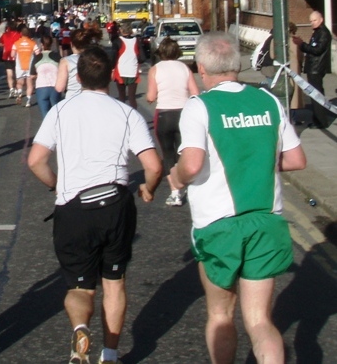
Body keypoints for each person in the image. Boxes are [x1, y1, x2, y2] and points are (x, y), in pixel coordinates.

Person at [170, 32, 306, 364]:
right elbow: (295, 160)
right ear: (237, 63)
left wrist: (176, 177)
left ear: (201, 68)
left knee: (220, 315)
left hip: (219, 226)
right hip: (266, 220)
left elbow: (192, 164)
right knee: (260, 320)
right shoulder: (268, 100)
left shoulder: (199, 106)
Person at [28, 45, 162, 364]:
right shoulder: (127, 113)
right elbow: (154, 166)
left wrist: (54, 184)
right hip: (115, 204)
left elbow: (36, 161)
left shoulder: (61, 112)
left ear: (77, 76)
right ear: (112, 76)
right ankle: (111, 353)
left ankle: (80, 328)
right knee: (114, 283)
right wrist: (147, 188)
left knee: (80, 287)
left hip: (74, 207)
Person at [146, 37, 199, 207]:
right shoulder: (185, 68)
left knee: (168, 154)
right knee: (184, 152)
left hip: (164, 115)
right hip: (184, 115)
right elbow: (195, 92)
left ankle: (175, 192)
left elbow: (151, 96)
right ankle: (191, 189)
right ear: (177, 52)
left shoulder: (155, 69)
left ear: (160, 52)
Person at [293, 10, 333, 129]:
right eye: (311, 21)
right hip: (313, 67)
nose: (312, 23)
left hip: (317, 68)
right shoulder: (317, 32)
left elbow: (317, 50)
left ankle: (321, 121)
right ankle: (317, 119)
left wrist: (302, 45)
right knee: (314, 94)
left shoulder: (323, 33)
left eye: (314, 20)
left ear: (321, 20)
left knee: (317, 95)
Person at [55, 25, 102, 100]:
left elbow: (60, 88)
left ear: (71, 44)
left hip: (72, 99)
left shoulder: (66, 61)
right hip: (92, 98)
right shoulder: (94, 59)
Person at [111, 22, 142, 109]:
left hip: (120, 71)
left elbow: (113, 57)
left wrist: (112, 69)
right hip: (133, 71)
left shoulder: (117, 41)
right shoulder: (137, 41)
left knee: (122, 96)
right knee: (132, 97)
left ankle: (123, 117)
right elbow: (142, 57)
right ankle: (134, 116)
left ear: (121, 30)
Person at [29, 34, 61, 118]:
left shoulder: (37, 57)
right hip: (55, 86)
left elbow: (32, 75)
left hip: (41, 87)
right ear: (51, 44)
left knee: (45, 115)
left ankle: (48, 129)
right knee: (56, 113)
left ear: (41, 44)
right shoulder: (57, 56)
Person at [11, 26, 38, 107]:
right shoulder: (32, 43)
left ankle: (19, 93)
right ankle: (28, 101)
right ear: (29, 33)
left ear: (21, 33)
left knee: (20, 82)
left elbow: (12, 55)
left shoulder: (16, 43)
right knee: (30, 84)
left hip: (20, 66)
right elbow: (38, 54)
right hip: (30, 66)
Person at [0, 21, 19, 98]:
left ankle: (11, 89)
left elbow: (0, 44)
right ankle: (17, 89)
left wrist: (5, 44)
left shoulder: (4, 35)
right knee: (16, 73)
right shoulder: (18, 35)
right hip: (16, 55)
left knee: (9, 73)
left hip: (7, 55)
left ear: (8, 27)